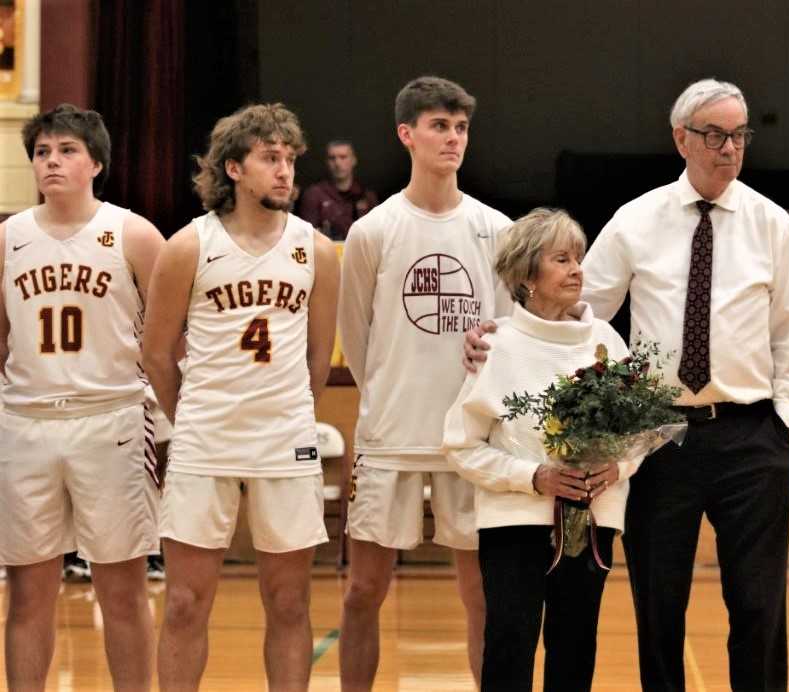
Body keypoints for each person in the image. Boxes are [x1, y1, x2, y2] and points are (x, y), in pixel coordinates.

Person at [464, 78, 789, 691]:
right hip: (660, 440)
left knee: (759, 605)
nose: (729, 148)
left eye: (739, 135)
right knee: (659, 606)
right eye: (714, 135)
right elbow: (578, 308)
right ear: (681, 138)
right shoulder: (637, 220)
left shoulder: (772, 223)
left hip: (752, 439)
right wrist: (503, 333)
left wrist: (780, 417)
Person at [143, 102, 339, 692]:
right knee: (183, 602)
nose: (284, 171)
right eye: (268, 158)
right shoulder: (187, 246)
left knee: (287, 603)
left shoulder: (316, 250)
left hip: (285, 439)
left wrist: (287, 415)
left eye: (289, 159)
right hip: (207, 438)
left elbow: (318, 361)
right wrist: (195, 416)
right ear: (232, 168)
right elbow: (155, 353)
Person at [337, 75, 513, 691]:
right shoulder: (373, 231)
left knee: (482, 597)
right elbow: (357, 343)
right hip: (390, 436)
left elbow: (513, 339)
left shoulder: (498, 229)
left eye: (461, 127)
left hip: (470, 440)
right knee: (363, 591)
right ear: (406, 134)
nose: (454, 138)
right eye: (440, 126)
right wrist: (391, 392)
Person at [0, 103, 164, 691]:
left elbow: (168, 335)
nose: (52, 161)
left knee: (121, 590)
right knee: (27, 593)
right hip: (25, 422)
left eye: (67, 150)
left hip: (110, 419)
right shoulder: (8, 238)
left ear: (96, 162)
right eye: (42, 151)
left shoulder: (135, 234)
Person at [443, 208, 640, 692]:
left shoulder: (607, 343)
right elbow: (460, 446)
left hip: (591, 521)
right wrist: (532, 477)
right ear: (527, 274)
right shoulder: (496, 345)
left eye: (578, 258)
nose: (578, 269)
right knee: (510, 644)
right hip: (514, 525)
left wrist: (617, 467)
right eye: (561, 259)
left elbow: (638, 435)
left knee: (575, 647)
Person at [299, 140, 378, 240]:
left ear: (353, 160)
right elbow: (305, 238)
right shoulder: (313, 195)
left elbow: (377, 236)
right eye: (332, 158)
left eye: (343, 157)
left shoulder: (367, 196)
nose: (337, 163)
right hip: (326, 253)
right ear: (327, 162)